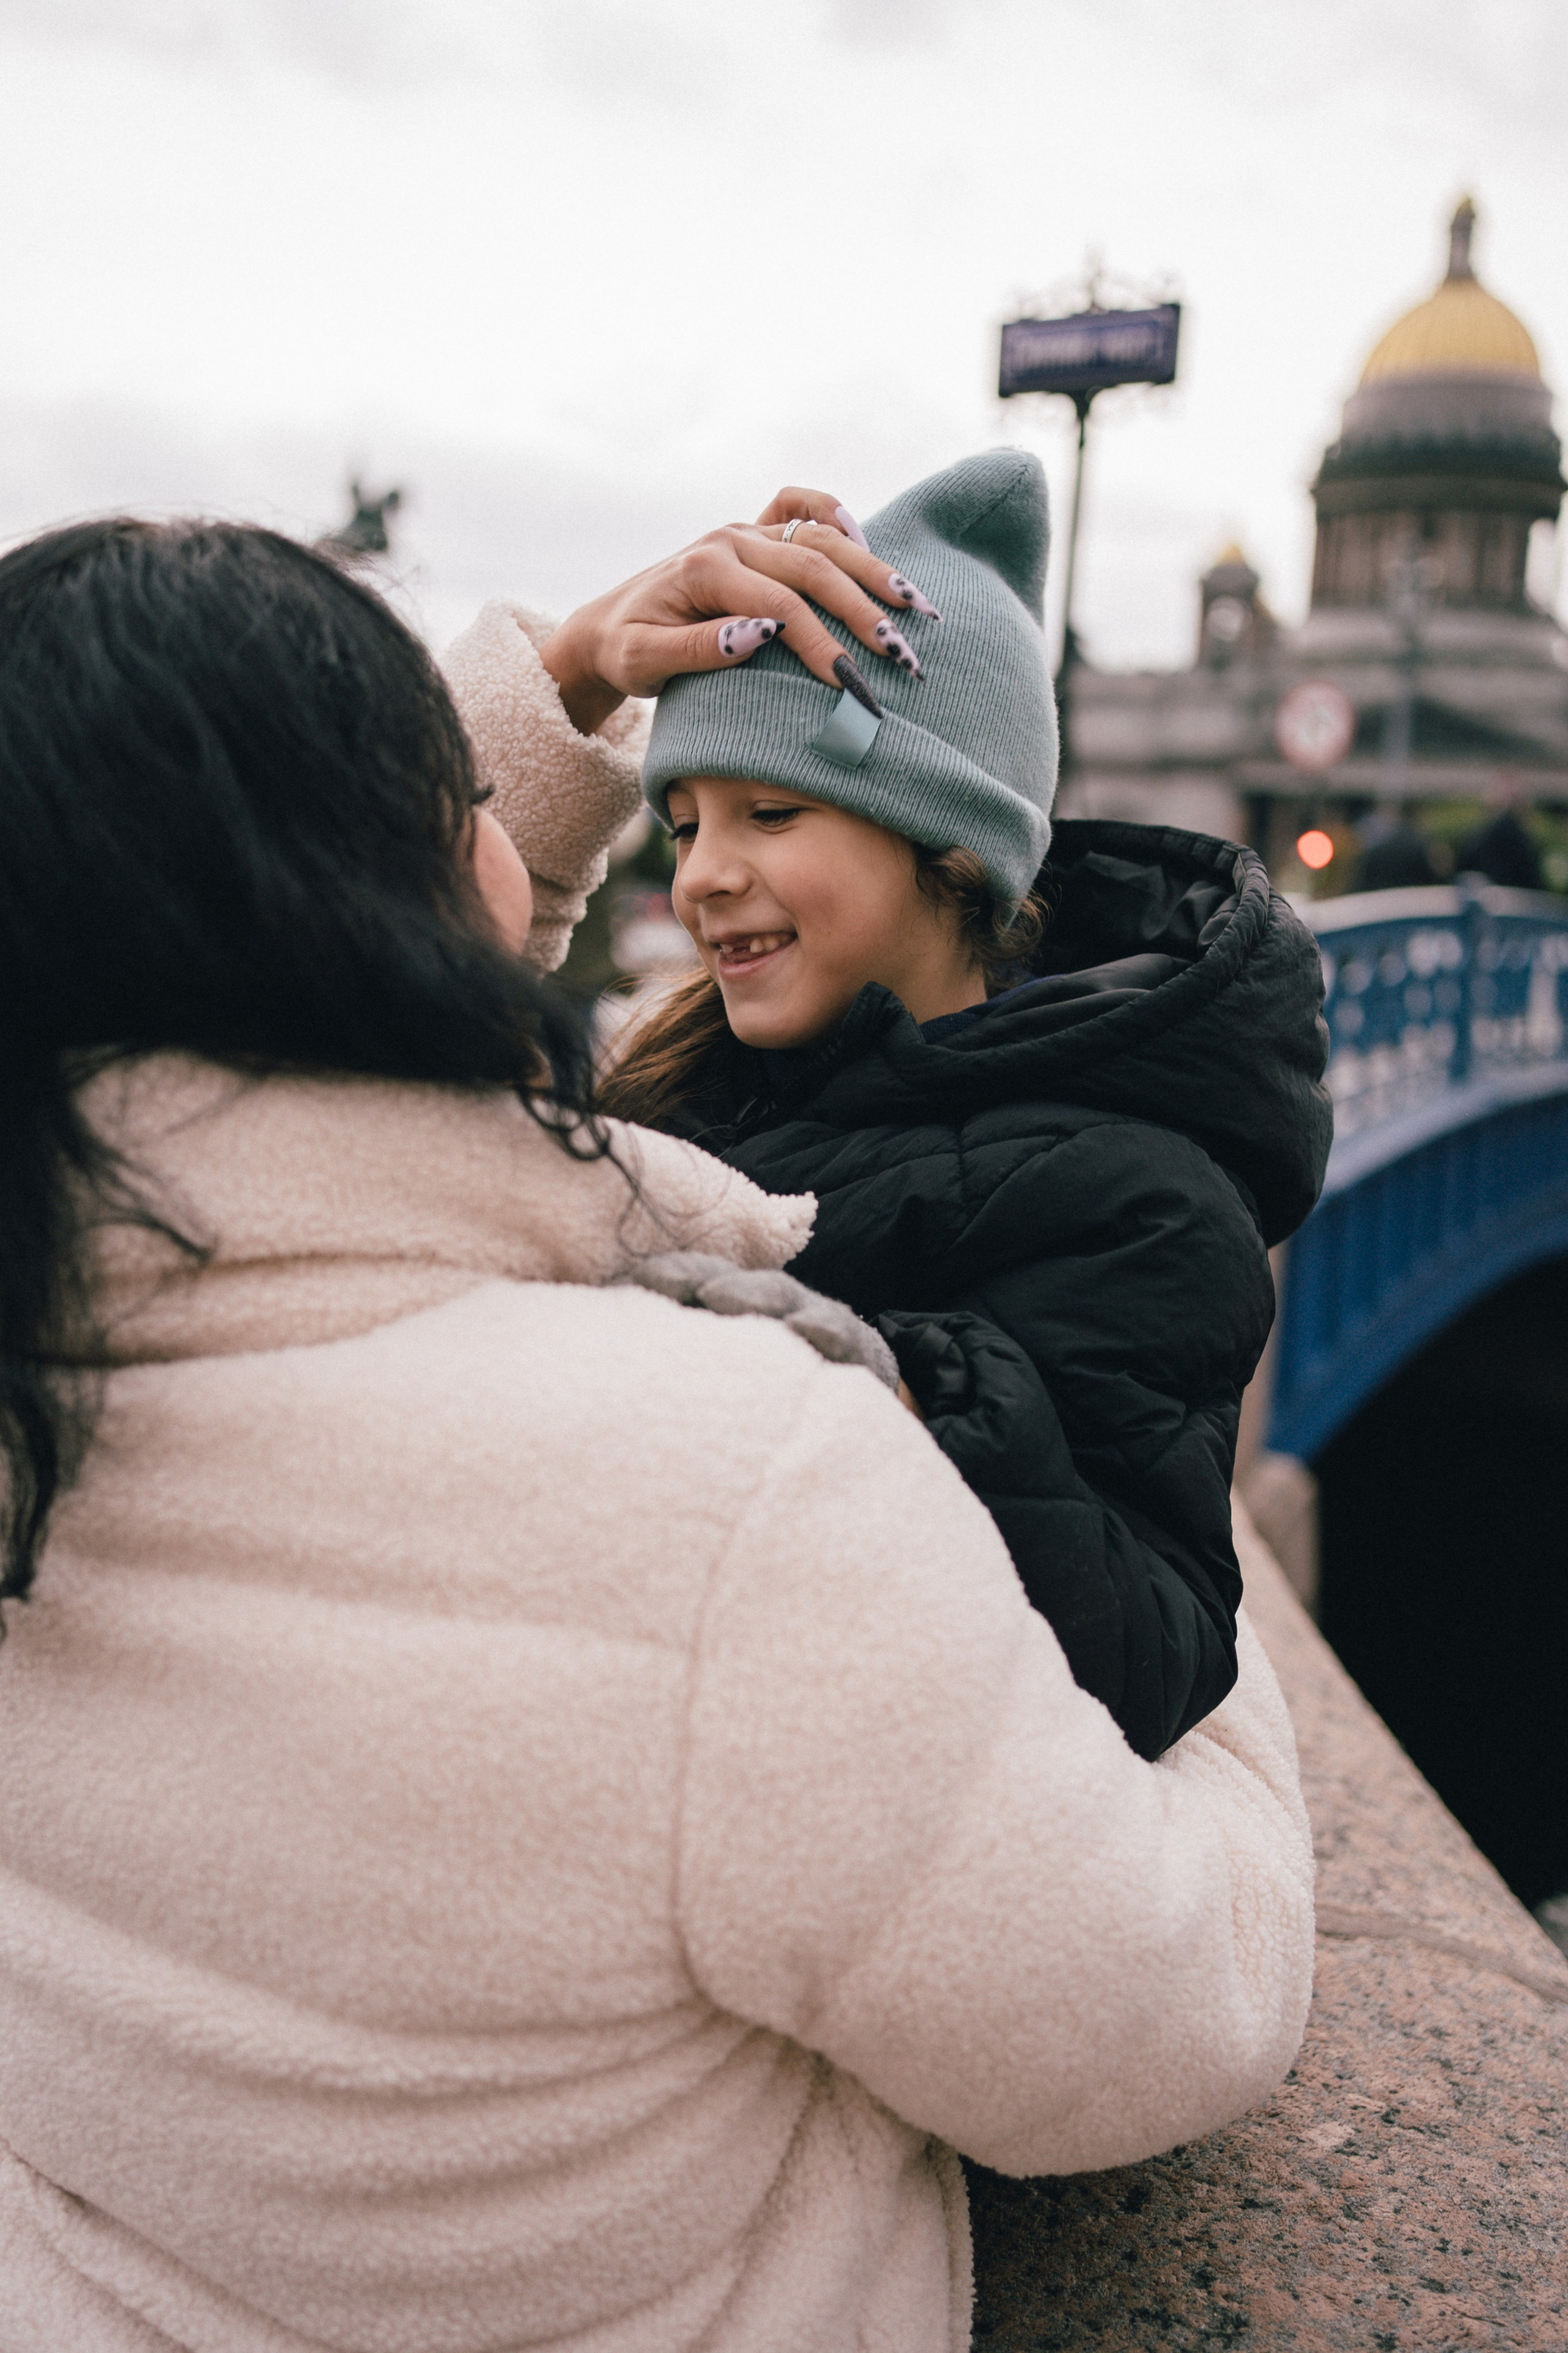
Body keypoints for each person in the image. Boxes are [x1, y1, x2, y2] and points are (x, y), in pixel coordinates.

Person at [0, 505, 1313, 2353]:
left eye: (765, 817)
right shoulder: (740, 1490)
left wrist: (552, 694)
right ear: (398, 878)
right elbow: (1180, 2006)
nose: (687, 876)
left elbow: (398, 1097)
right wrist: (1239, 1640)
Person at [604, 451, 1335, 1763]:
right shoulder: (670, 1086)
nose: (703, 877)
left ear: (950, 846)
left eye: (769, 810)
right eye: (680, 823)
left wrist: (908, 1400)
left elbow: (1152, 1654)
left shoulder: (1142, 1201)